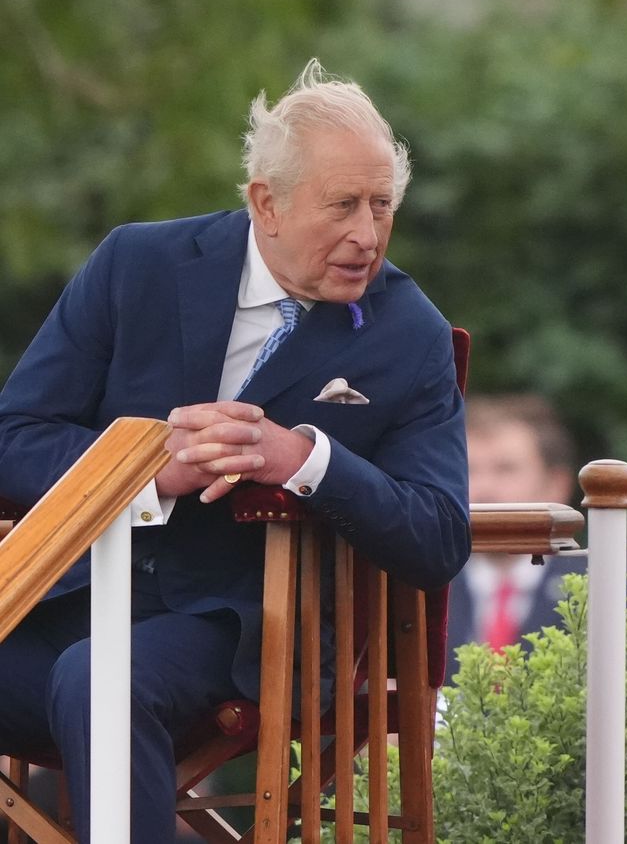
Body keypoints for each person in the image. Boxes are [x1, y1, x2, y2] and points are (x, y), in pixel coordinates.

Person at [0, 59, 470, 842]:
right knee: (88, 666)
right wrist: (151, 471)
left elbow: (438, 535)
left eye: (383, 206)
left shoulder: (410, 332)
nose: (368, 234)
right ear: (267, 203)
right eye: (344, 206)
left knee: (100, 678)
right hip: (64, 593)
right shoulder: (135, 265)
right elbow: (15, 434)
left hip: (252, 623)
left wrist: (305, 459)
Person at [447, 394, 577, 675]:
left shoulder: (607, 591)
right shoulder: (417, 591)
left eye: (505, 469)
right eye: (469, 470)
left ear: (557, 484)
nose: (483, 488)